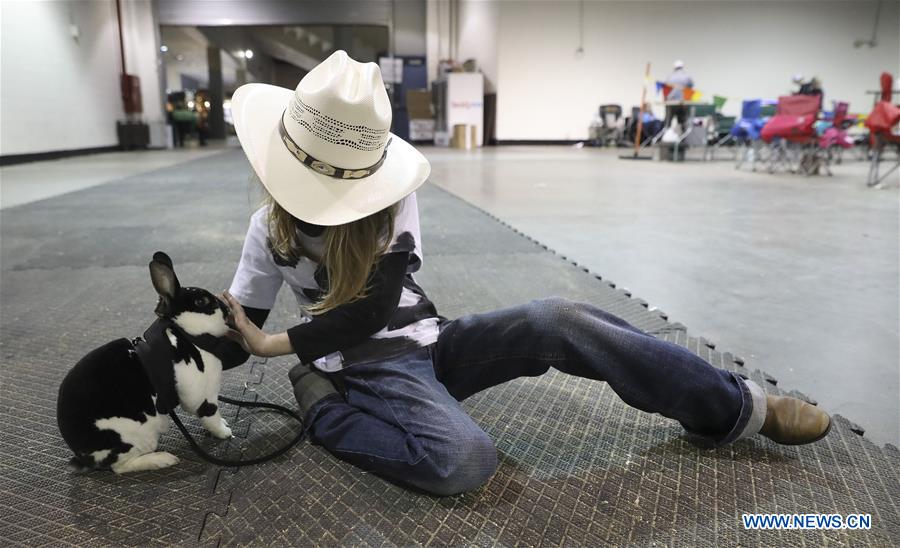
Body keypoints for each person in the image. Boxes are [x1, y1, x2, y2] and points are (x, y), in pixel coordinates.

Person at [219, 51, 831, 497]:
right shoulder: (266, 232)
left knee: (557, 318)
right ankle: (325, 410)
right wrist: (173, 348)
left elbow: (377, 308)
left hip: (433, 341)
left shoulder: (387, 197)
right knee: (463, 462)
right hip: (365, 372)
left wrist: (275, 344)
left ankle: (736, 409)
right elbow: (239, 336)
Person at [664, 60, 694, 132]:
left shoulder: (669, 77)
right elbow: (690, 89)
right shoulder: (687, 77)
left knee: (668, 122)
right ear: (682, 67)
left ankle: (665, 137)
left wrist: (666, 101)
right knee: (683, 121)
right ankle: (683, 138)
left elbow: (665, 91)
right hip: (683, 103)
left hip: (671, 103)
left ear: (674, 68)